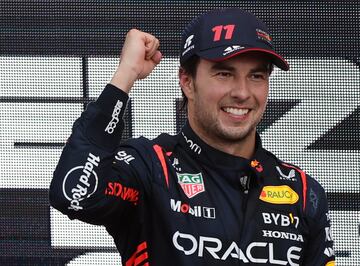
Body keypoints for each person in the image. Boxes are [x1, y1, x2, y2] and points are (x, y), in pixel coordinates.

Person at [49, 8, 335, 266]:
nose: (243, 92)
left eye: (257, 76)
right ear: (187, 82)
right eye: (224, 74)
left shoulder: (302, 191)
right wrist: (126, 74)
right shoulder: (151, 167)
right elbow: (74, 194)